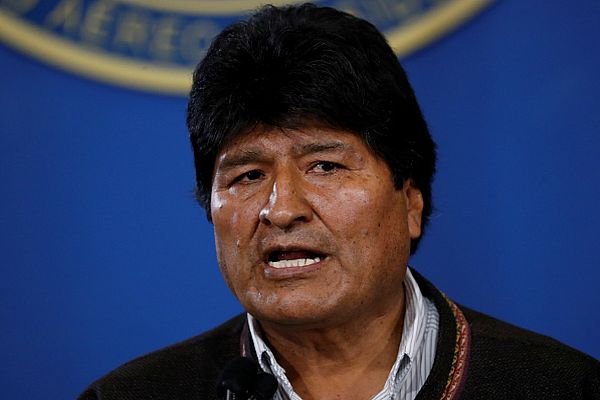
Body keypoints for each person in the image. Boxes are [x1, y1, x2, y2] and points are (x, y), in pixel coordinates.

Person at [80, 3, 599, 399]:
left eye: (325, 166)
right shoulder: (131, 395)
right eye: (249, 175)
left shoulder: (560, 388)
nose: (282, 209)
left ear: (411, 201)